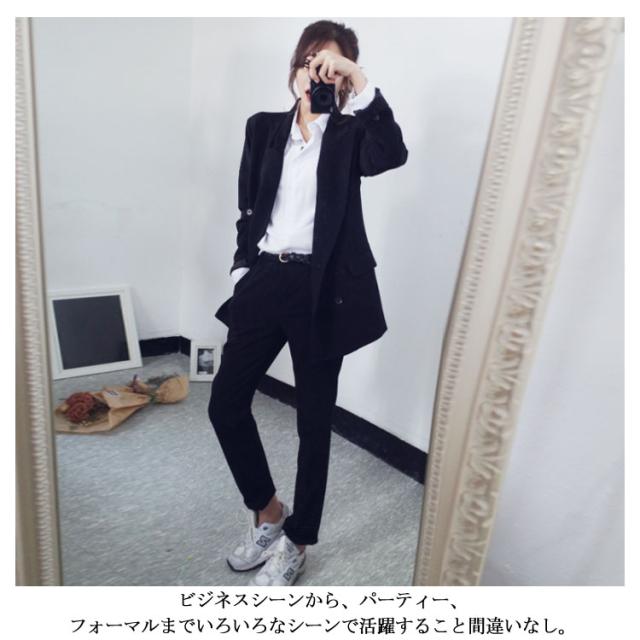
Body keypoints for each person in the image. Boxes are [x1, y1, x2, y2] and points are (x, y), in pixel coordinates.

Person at [208, 19, 408, 586]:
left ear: (342, 80)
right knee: (225, 404)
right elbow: (248, 205)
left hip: (323, 290)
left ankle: (298, 540)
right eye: (310, 61)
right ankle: (269, 512)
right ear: (295, 68)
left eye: (331, 66)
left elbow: (392, 154)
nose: (317, 73)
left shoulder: (351, 135)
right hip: (265, 277)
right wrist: (243, 269)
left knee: (314, 423)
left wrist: (360, 81)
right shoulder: (262, 127)